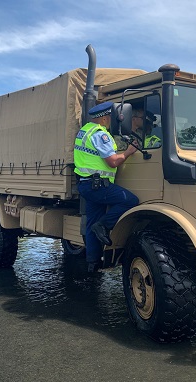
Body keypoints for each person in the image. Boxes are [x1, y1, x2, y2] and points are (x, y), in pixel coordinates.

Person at [74, 101, 140, 272]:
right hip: (98, 186)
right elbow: (112, 162)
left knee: (91, 223)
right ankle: (103, 225)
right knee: (130, 200)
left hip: (87, 185)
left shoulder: (85, 131)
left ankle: (92, 263)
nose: (113, 121)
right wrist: (129, 151)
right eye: (111, 118)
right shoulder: (100, 134)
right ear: (104, 118)